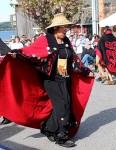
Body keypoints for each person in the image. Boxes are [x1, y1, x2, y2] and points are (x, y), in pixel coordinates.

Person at [0, 13, 94, 147]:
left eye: (66, 28)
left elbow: (74, 60)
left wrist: (86, 71)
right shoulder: (45, 40)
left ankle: (49, 128)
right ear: (56, 28)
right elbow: (32, 53)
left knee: (65, 104)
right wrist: (18, 55)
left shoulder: (66, 41)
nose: (66, 30)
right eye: (63, 28)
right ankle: (61, 135)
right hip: (51, 80)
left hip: (65, 78)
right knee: (62, 106)